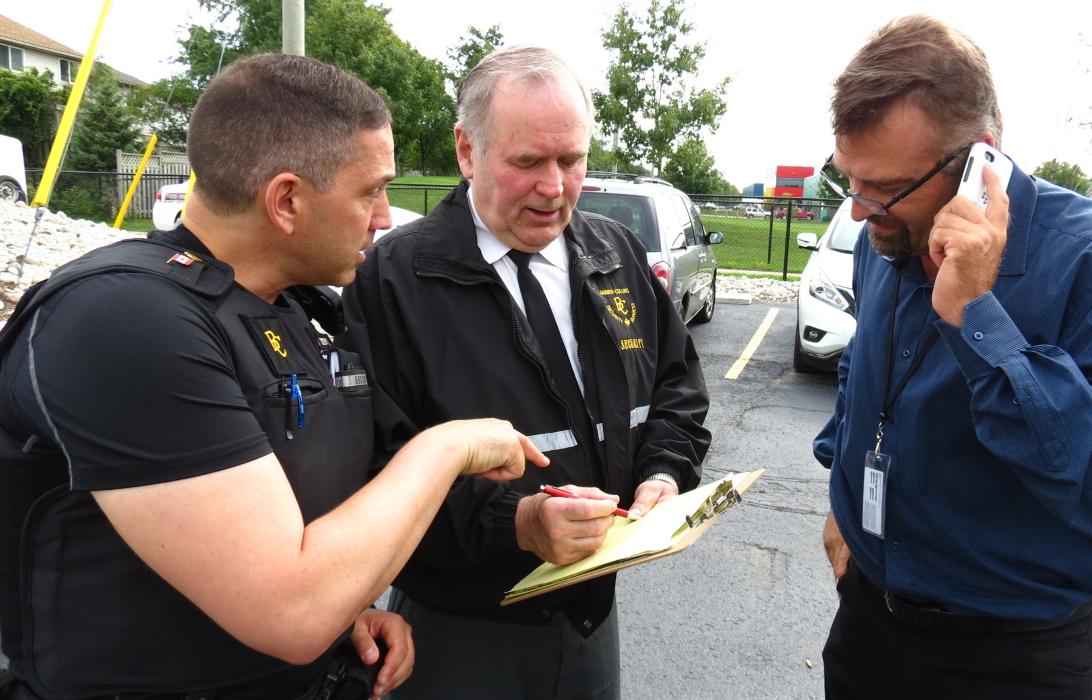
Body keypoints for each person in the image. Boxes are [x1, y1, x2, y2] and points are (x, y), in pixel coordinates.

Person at [0, 54, 545, 700]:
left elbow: (277, 520)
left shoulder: (291, 308)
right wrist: (446, 447)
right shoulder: (126, 321)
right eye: (371, 191)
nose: (384, 216)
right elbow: (291, 611)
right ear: (286, 200)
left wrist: (348, 606)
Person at [812, 15, 1092, 700]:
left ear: (978, 162)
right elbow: (859, 373)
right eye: (850, 180)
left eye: (886, 186)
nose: (862, 211)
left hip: (1011, 660)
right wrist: (844, 503)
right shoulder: (889, 239)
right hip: (867, 624)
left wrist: (978, 318)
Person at [340, 46, 711, 698]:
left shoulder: (616, 253)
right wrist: (517, 523)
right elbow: (376, 466)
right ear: (467, 150)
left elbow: (676, 386)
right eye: (528, 162)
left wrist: (663, 472)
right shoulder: (393, 281)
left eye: (571, 160)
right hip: (460, 633)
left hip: (591, 621)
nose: (555, 186)